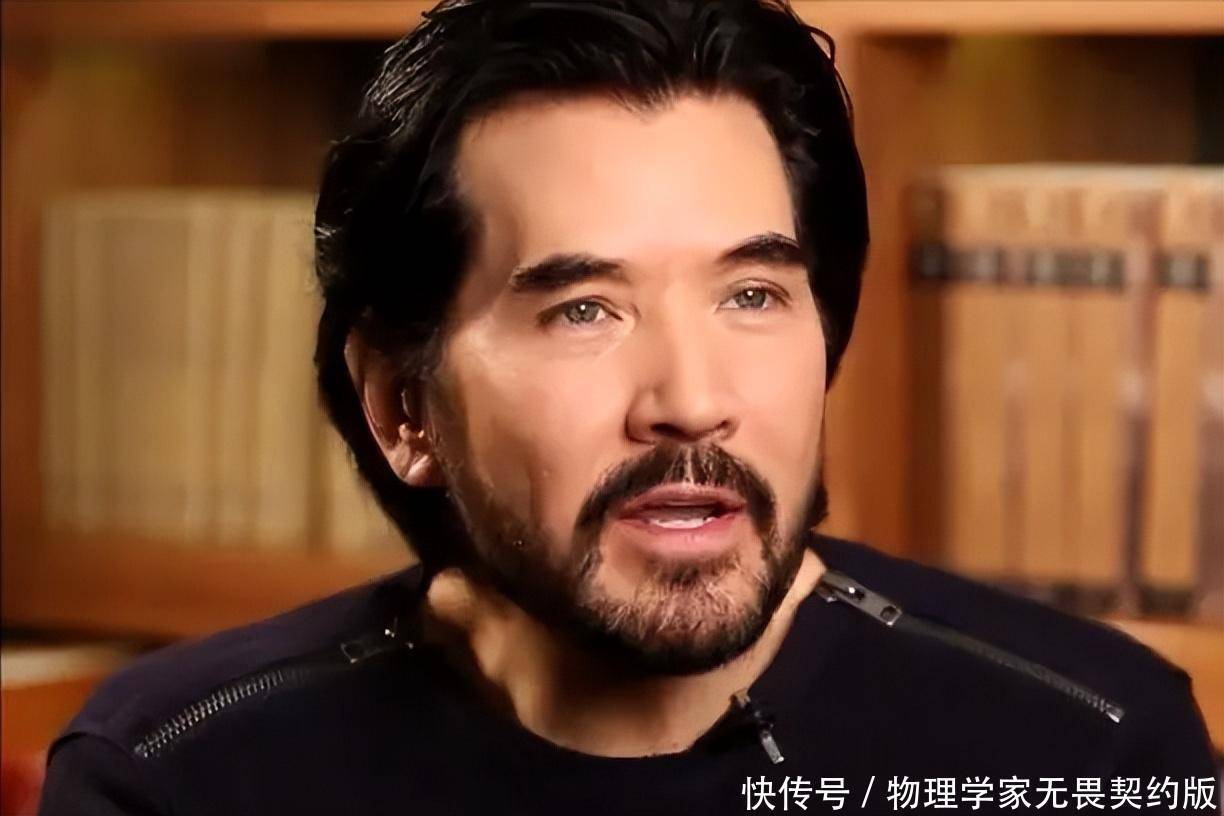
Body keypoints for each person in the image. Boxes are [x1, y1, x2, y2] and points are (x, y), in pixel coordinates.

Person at [40, 1, 1218, 813]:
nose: (692, 403)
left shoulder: (1094, 747)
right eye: (583, 311)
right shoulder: (178, 774)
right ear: (403, 406)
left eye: (752, 295)